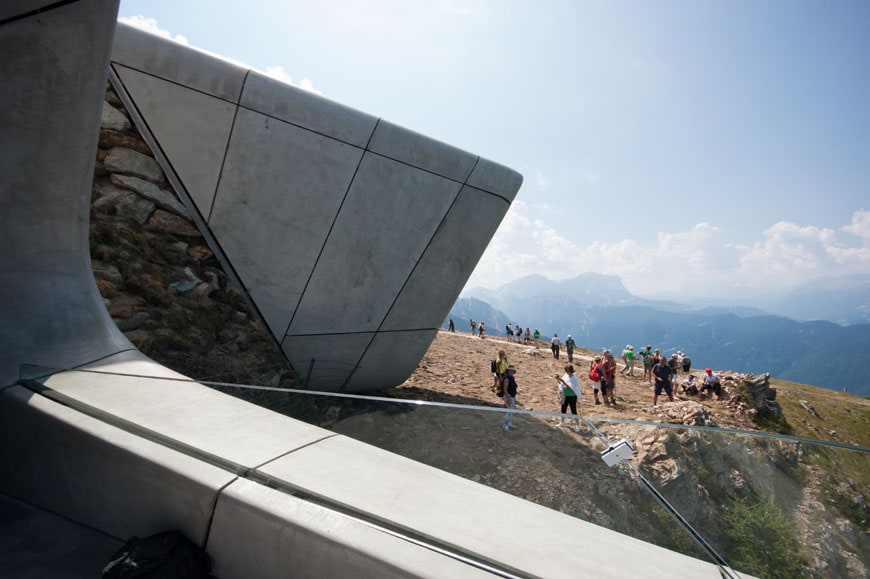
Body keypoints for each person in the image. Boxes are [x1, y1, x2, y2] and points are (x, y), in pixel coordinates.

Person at [555, 364, 582, 432]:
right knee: (563, 408)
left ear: (571, 371)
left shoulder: (574, 379)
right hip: (565, 395)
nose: (566, 372)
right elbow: (561, 384)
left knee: (573, 410)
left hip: (572, 396)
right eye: (566, 371)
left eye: (567, 371)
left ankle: (578, 425)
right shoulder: (566, 375)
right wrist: (558, 380)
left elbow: (571, 388)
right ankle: (562, 422)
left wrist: (563, 382)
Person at [502, 365, 519, 431]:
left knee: (511, 411)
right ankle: (505, 425)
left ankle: (509, 424)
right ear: (508, 371)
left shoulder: (512, 378)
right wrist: (508, 398)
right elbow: (505, 389)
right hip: (509, 396)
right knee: (509, 412)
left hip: (512, 396)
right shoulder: (506, 378)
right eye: (510, 370)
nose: (511, 372)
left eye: (512, 370)